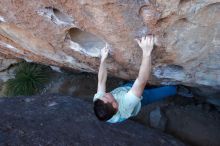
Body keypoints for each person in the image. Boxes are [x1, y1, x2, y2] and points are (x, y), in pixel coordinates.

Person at [93, 35, 185, 123]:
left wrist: (103, 59)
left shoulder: (100, 102)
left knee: (130, 85)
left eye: (102, 96)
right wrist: (147, 52)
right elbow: (141, 80)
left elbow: (101, 81)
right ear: (115, 105)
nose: (105, 94)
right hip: (140, 100)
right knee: (166, 90)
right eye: (106, 97)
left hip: (125, 90)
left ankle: (130, 86)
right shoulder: (126, 106)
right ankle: (177, 89)